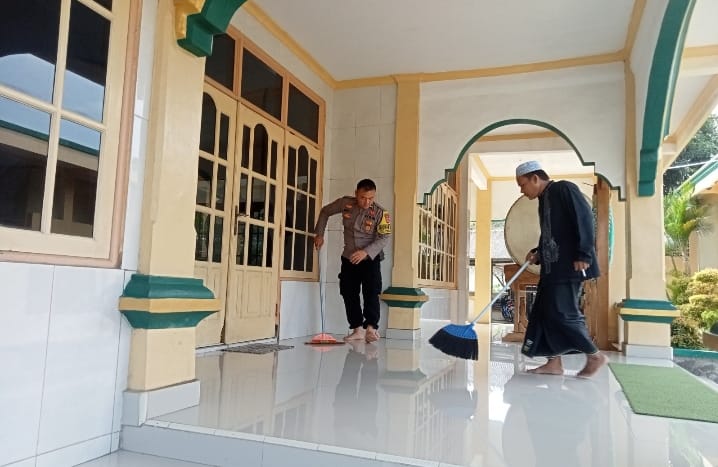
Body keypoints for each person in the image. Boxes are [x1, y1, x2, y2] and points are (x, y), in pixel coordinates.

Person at [515, 160, 608, 378]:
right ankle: (553, 363)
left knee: (563, 313)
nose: (521, 190)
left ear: (535, 178)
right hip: (552, 269)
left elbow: (584, 218)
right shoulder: (543, 200)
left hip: (570, 265)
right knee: (544, 313)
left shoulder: (564, 189)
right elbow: (551, 233)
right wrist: (538, 252)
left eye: (522, 184)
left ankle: (594, 356)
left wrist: (584, 254)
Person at [314, 179, 391, 343]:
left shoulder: (381, 213)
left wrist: (365, 252)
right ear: (356, 193)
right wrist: (319, 234)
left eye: (371, 198)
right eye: (363, 197)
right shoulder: (345, 203)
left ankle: (371, 328)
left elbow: (384, 238)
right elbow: (325, 211)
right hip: (349, 257)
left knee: (371, 291)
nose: (367, 202)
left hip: (370, 258)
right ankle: (357, 329)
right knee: (348, 291)